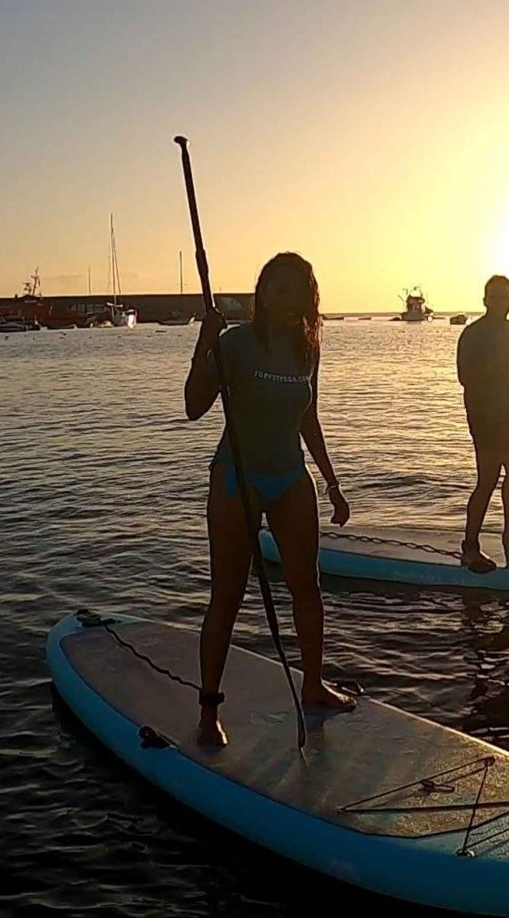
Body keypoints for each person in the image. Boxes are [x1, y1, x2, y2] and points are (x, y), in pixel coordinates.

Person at [184, 251, 356, 747]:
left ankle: (313, 685)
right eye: (279, 290)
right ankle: (208, 711)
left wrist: (333, 482)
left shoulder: (308, 348)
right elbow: (194, 407)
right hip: (237, 479)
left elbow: (308, 418)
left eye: (298, 292)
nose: (287, 301)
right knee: (228, 595)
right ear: (261, 293)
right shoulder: (235, 344)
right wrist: (204, 343)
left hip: (290, 478)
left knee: (308, 587)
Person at [456, 275, 509, 573]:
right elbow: (465, 377)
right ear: (485, 300)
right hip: (485, 417)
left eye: (504, 296)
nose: (499, 302)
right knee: (488, 479)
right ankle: (470, 546)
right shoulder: (473, 334)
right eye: (494, 296)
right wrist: (494, 363)